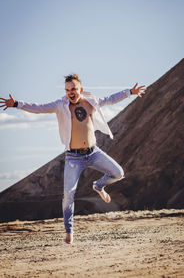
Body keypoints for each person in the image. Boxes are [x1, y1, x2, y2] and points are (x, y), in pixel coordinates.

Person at [0, 74, 146, 244]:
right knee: (68, 194)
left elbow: (111, 99)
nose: (70, 92)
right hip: (73, 157)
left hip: (93, 152)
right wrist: (17, 104)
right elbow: (39, 107)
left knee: (118, 173)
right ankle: (69, 231)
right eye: (67, 90)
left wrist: (130, 92)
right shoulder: (60, 105)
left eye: (73, 89)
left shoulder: (91, 101)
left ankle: (98, 186)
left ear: (80, 90)